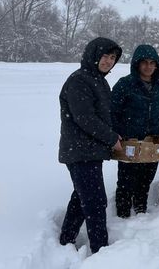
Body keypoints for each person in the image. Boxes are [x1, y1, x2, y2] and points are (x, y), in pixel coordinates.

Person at [58, 37, 122, 254]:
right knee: (95, 202)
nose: (108, 61)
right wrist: (111, 138)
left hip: (90, 151)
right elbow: (84, 118)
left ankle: (66, 241)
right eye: (105, 56)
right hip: (79, 151)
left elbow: (103, 116)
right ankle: (100, 251)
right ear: (93, 55)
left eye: (113, 58)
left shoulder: (99, 81)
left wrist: (116, 133)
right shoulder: (79, 80)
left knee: (82, 197)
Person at [111, 44, 159, 218]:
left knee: (146, 178)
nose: (148, 66)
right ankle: (122, 216)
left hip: (153, 138)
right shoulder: (125, 84)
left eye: (152, 63)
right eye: (144, 62)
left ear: (157, 65)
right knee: (126, 180)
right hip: (129, 140)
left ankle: (140, 209)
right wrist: (117, 132)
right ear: (137, 64)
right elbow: (112, 110)